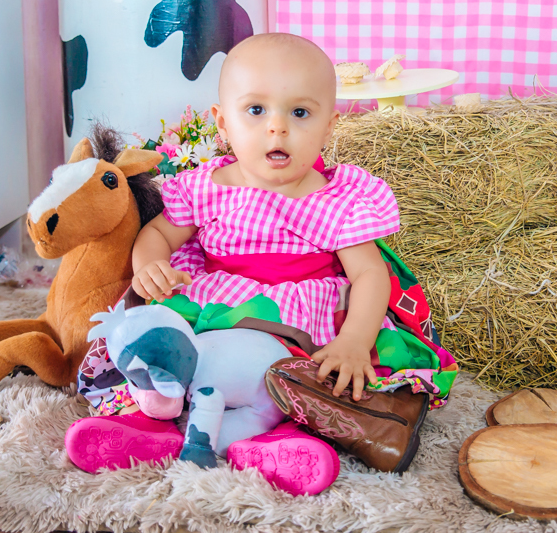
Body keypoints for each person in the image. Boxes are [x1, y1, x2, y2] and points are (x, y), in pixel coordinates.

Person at [66, 34, 456, 495]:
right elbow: (159, 234)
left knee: (312, 382)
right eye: (256, 110)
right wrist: (150, 264)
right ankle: (148, 424)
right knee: (153, 343)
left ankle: (276, 439)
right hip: (215, 300)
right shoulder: (206, 187)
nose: (277, 128)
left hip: (296, 317)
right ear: (223, 123)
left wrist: (354, 340)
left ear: (329, 126)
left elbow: (370, 274)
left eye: (300, 113)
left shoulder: (337, 198)